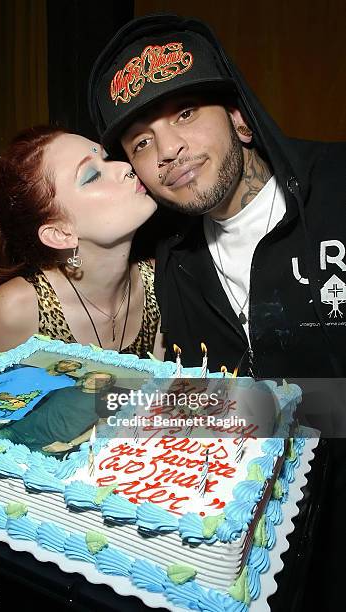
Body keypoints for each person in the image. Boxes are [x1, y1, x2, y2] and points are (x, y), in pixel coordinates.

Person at [88, 13, 346, 609]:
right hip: (252, 566)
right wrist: (95, 401)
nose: (169, 151)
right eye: (141, 142)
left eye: (184, 114)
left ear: (238, 118)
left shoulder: (338, 188)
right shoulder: (170, 264)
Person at [0, 126, 163, 371]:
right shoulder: (18, 309)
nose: (125, 167)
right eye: (92, 175)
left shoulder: (162, 282)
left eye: (107, 158)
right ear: (59, 234)